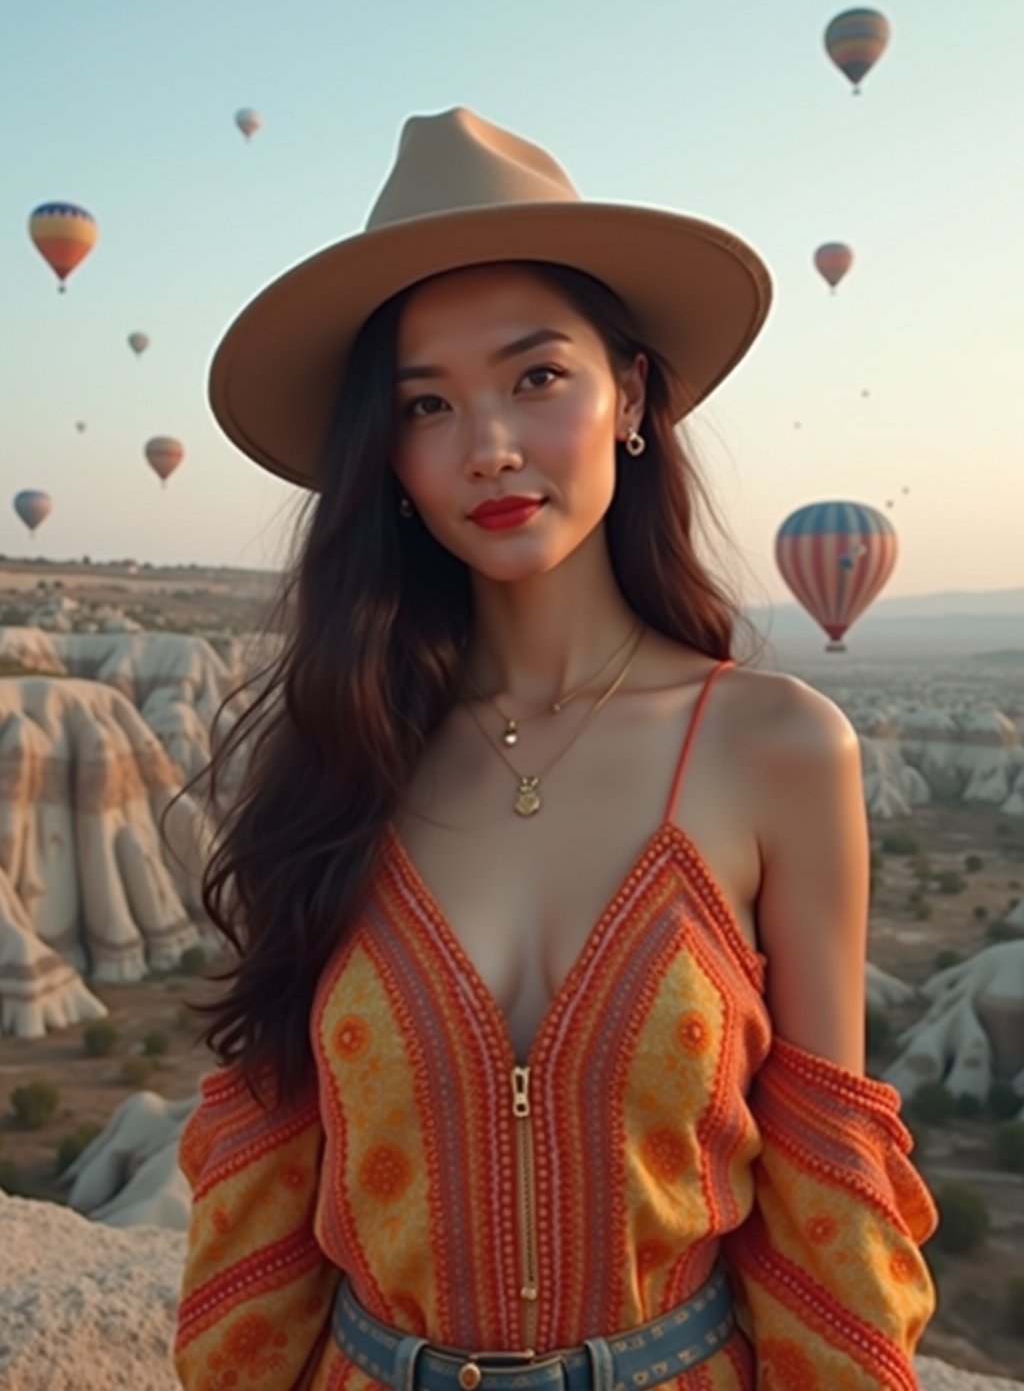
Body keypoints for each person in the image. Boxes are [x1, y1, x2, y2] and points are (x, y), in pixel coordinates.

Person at [170, 107, 938, 1391]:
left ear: (630, 392)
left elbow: (824, 1201)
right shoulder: (336, 754)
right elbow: (264, 1200)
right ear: (389, 459)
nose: (490, 448)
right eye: (428, 403)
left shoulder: (778, 750)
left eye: (537, 377)